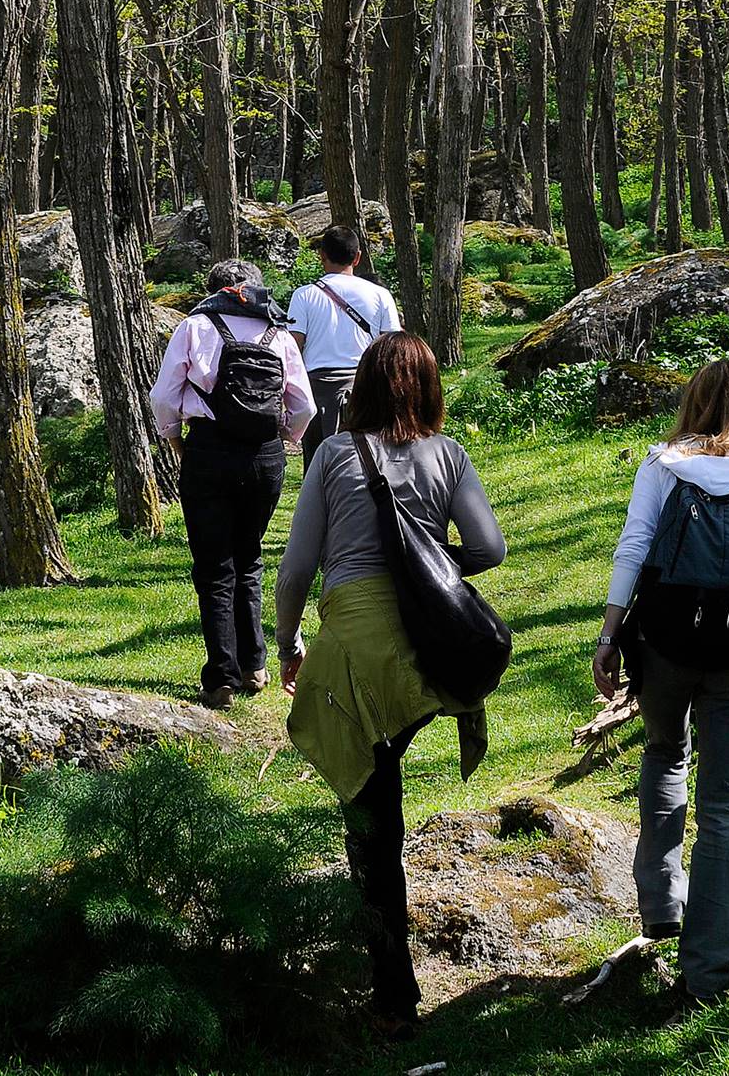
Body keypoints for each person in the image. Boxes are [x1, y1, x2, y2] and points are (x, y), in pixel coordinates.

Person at [276, 332, 506, 1036]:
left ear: (363, 388)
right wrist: (430, 566)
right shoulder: (450, 453)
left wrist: (287, 643)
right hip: (425, 651)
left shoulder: (333, 454)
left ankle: (392, 992)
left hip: (355, 650)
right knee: (384, 791)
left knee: (370, 820)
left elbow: (294, 569)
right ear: (429, 387)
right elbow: (490, 548)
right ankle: (388, 970)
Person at [592, 359, 729, 1008]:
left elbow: (632, 547)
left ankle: (661, 903)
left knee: (664, 752)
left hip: (663, 648)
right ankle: (708, 974)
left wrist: (608, 636)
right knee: (723, 806)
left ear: (691, 404)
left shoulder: (663, 464)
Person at [150, 258, 315, 709]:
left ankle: (221, 678)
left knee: (213, 565)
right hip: (264, 456)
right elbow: (303, 406)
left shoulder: (195, 326)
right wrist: (285, 439)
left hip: (209, 452)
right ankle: (255, 665)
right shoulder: (277, 332)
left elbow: (165, 396)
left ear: (214, 290)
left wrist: (174, 440)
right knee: (249, 555)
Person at [288, 224, 402, 472]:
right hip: (366, 386)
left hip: (317, 391)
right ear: (358, 257)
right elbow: (394, 347)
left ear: (322, 256)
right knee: (370, 463)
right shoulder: (380, 294)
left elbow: (293, 348)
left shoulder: (304, 295)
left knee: (319, 467)